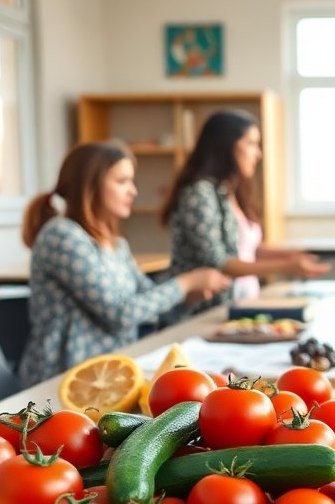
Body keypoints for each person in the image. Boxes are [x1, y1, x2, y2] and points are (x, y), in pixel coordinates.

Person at [18, 142, 229, 385]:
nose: (133, 191)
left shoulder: (116, 245)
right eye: (122, 181)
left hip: (111, 374)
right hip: (64, 380)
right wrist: (186, 282)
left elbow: (151, 306)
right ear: (90, 186)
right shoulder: (62, 235)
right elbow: (120, 314)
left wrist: (189, 298)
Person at [161, 110, 331, 319]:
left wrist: (288, 256)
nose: (258, 153)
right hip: (204, 313)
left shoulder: (228, 191)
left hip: (240, 305)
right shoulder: (199, 194)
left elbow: (247, 249)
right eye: (251, 143)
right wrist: (287, 266)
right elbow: (219, 261)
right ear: (226, 146)